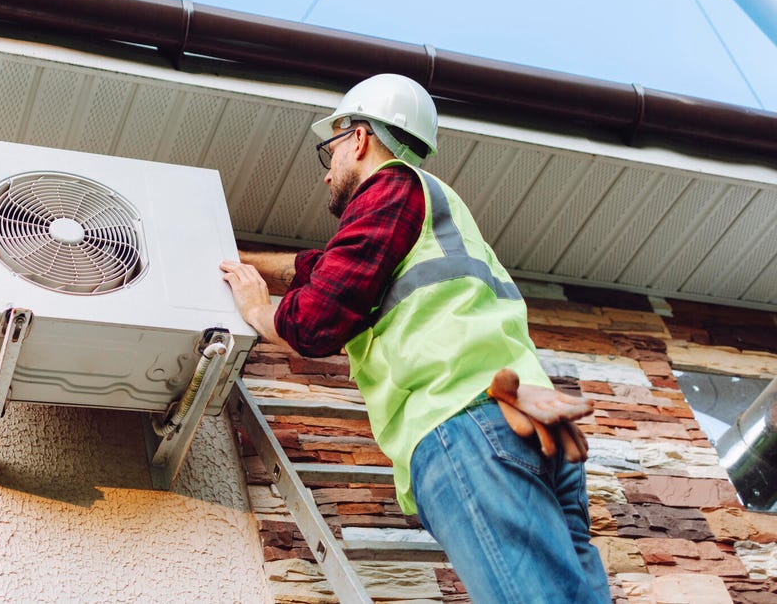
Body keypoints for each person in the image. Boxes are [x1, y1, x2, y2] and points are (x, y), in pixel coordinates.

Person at [219, 74, 612, 603]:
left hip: (463, 423)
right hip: (528, 421)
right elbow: (322, 268)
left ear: (358, 139)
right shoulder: (434, 210)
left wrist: (257, 310)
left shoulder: (390, 187)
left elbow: (315, 323)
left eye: (329, 151)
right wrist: (240, 261)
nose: (326, 172)